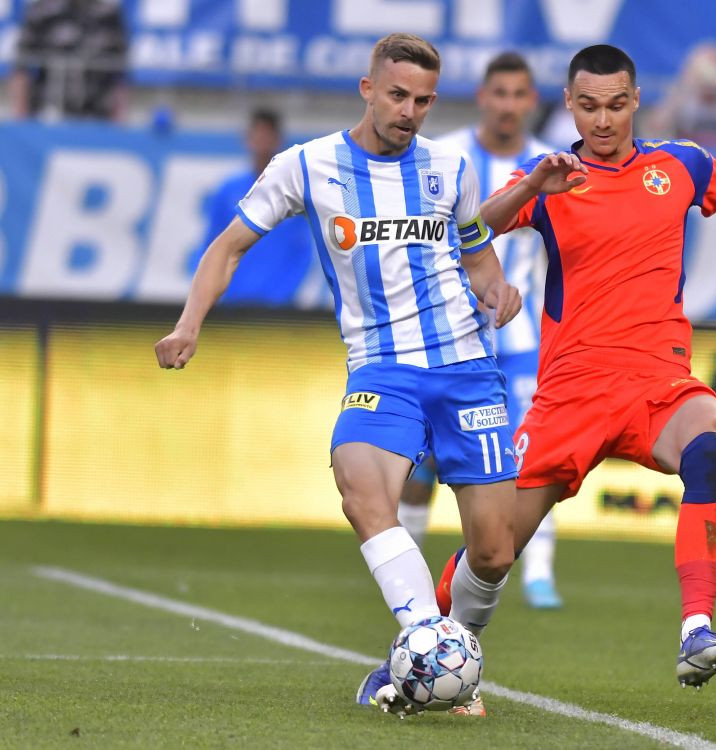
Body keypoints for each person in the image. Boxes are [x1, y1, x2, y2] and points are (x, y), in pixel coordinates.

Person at [436, 44, 716, 690]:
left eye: (617, 105)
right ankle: (429, 648)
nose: (603, 121)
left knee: (706, 439)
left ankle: (695, 631)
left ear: (637, 101)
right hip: (570, 396)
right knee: (493, 549)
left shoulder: (680, 165)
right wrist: (529, 186)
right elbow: (468, 238)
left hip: (658, 385)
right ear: (569, 105)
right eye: (589, 107)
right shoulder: (553, 178)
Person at [154, 33, 522, 717]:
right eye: (397, 95)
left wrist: (500, 291)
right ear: (366, 88)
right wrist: (188, 324)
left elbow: (478, 258)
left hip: (467, 367)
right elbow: (228, 246)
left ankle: (445, 658)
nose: (410, 110)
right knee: (357, 483)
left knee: (495, 552)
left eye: (423, 100)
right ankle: (422, 640)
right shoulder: (306, 165)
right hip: (382, 365)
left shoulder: (452, 168)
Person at [397, 51, 563, 610]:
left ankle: (539, 574)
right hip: (444, 343)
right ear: (483, 97)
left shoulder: (551, 169)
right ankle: (410, 568)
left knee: (529, 462)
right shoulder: (446, 158)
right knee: (424, 464)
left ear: (531, 102)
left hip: (521, 349)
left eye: (521, 95)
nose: (510, 105)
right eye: (501, 94)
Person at [190, 109, 315, 306]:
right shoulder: (228, 190)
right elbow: (211, 243)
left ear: (278, 140)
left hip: (278, 309)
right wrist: (218, 292)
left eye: (267, 134)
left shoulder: (293, 191)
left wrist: (281, 296)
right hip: (231, 305)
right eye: (258, 134)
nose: (262, 141)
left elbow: (303, 252)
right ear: (247, 138)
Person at [10, 0, 128, 121]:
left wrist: (118, 118)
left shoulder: (108, 14)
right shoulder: (40, 11)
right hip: (47, 114)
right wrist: (21, 117)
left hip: (98, 116)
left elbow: (120, 71)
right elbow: (21, 68)